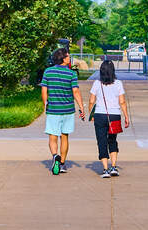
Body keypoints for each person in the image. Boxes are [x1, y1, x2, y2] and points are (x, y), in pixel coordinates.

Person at [39, 46, 84, 174]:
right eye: (68, 56)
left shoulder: (48, 72)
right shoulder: (71, 73)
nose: (69, 58)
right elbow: (75, 91)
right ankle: (62, 164)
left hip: (53, 109)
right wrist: (81, 107)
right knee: (64, 136)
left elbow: (44, 90)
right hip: (68, 110)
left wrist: (45, 104)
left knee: (52, 136)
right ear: (63, 58)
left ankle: (55, 156)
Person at [86, 58, 129, 177]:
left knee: (102, 141)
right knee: (112, 140)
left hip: (100, 115)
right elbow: (122, 101)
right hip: (114, 115)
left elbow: (91, 101)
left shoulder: (97, 83)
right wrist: (126, 116)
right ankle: (113, 167)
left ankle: (105, 170)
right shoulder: (118, 83)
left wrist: (91, 114)